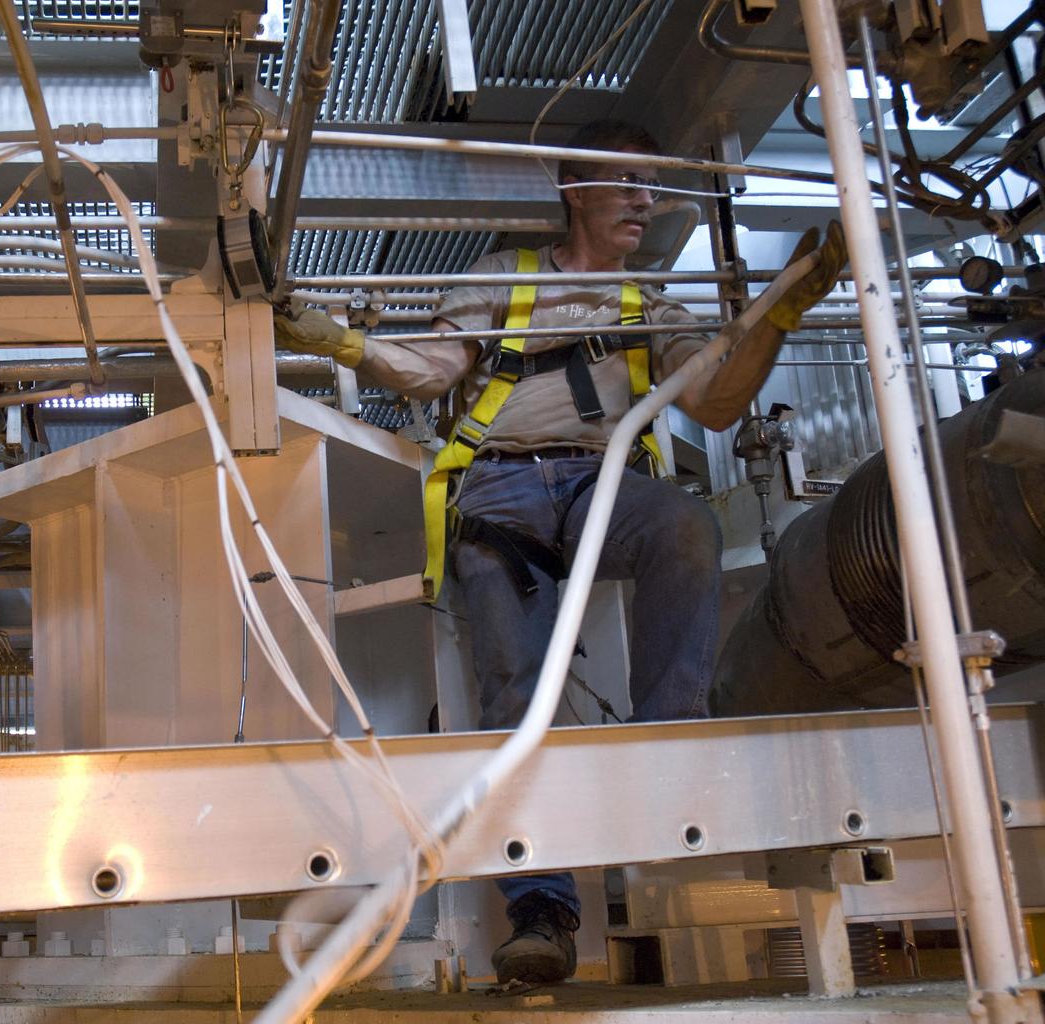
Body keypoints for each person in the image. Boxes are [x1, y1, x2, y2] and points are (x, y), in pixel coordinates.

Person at [273, 120, 847, 986]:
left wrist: (780, 311)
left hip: (601, 484)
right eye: (627, 182)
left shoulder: (648, 302)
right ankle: (540, 910)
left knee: (684, 527)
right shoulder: (505, 275)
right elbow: (433, 369)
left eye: (653, 186)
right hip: (499, 490)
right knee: (513, 686)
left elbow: (719, 402)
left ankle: (666, 758)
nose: (646, 201)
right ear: (575, 191)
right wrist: (339, 341)